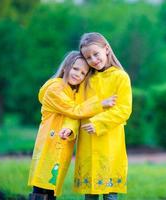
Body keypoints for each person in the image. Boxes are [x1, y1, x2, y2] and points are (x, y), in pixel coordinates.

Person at [28, 51, 117, 200]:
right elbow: (75, 110)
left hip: (60, 148)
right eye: (75, 69)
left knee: (51, 188)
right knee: (42, 188)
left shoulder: (72, 92)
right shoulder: (54, 89)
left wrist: (69, 130)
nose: (78, 74)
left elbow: (74, 117)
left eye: (83, 73)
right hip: (48, 148)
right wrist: (100, 104)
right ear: (65, 67)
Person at [67, 32, 132, 200]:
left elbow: (124, 109)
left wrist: (98, 123)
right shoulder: (86, 79)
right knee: (90, 193)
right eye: (88, 58)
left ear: (107, 49)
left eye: (96, 54)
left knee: (110, 193)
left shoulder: (120, 77)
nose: (94, 60)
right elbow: (76, 108)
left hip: (111, 142)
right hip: (87, 143)